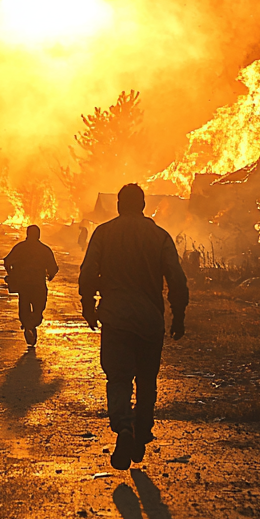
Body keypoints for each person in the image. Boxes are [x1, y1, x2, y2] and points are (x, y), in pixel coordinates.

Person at [78, 184, 188, 470]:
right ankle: (142, 432)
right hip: (150, 322)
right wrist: (179, 315)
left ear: (118, 205)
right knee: (147, 381)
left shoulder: (103, 233)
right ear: (143, 206)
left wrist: (88, 306)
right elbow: (176, 278)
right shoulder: (160, 236)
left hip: (116, 320)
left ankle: (124, 428)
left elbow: (88, 272)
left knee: (118, 378)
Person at [3, 224, 59, 347]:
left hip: (24, 285)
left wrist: (12, 274)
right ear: (38, 234)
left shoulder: (20, 248)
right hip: (38, 284)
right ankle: (32, 324)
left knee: (24, 306)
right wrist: (50, 276)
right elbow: (53, 267)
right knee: (39, 307)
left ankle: (28, 325)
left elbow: (7, 261)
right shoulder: (44, 249)